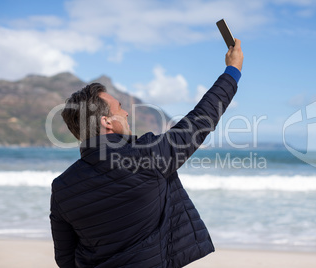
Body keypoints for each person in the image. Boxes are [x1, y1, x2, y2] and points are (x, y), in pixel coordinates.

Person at [50, 39, 244, 268]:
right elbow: (199, 121)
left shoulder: (62, 188)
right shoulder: (146, 156)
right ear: (107, 122)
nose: (125, 113)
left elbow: (65, 259)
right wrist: (233, 71)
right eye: (119, 108)